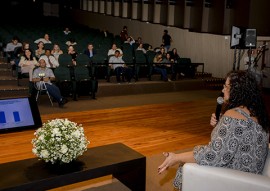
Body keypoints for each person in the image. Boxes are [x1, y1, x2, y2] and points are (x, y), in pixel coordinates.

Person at [158, 70, 270, 190]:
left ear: (237, 90)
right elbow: (236, 142)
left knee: (187, 162)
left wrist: (176, 157)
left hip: (235, 179)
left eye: (226, 87)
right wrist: (220, 125)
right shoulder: (257, 114)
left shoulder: (233, 115)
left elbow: (213, 155)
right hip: (251, 177)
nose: (222, 90)